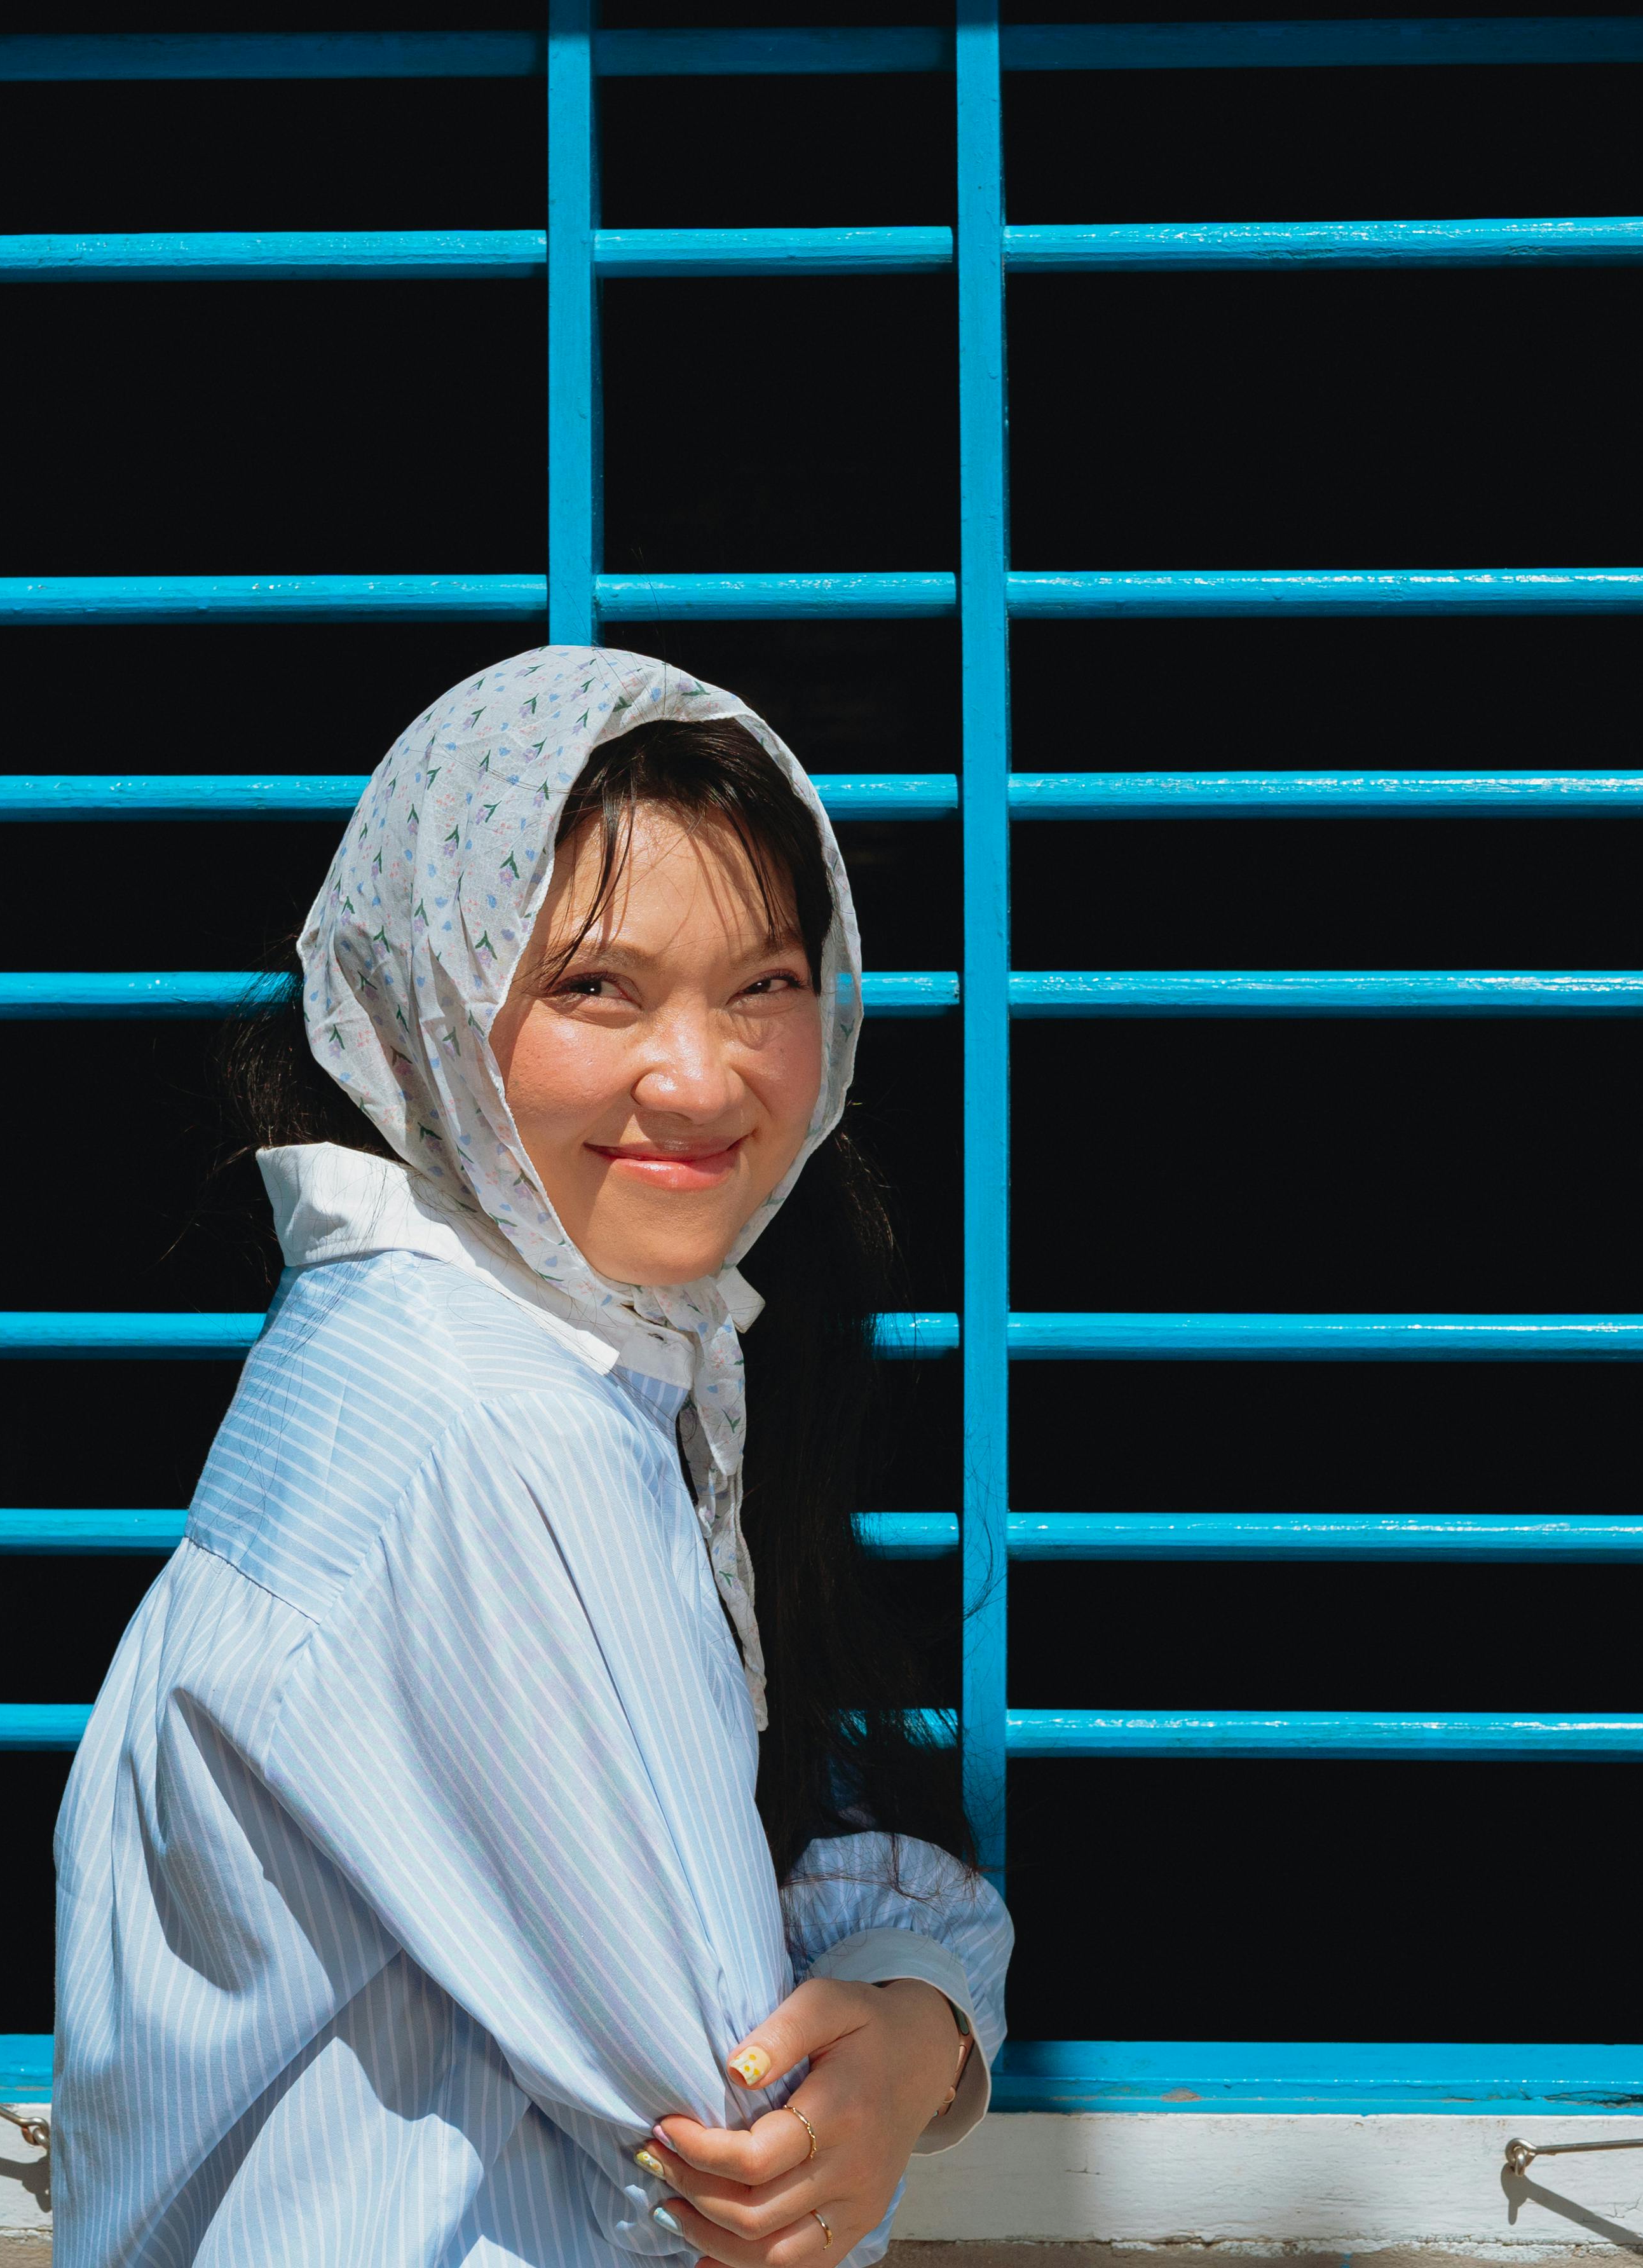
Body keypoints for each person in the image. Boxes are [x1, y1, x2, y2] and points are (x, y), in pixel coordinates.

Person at [54, 646, 1014, 2267]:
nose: (702, 1077)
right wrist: (920, 2013)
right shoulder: (498, 1432)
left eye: (767, 983)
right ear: (429, 995)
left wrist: (922, 2008)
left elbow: (771, 1891)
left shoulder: (470, 1352)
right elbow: (740, 2135)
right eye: (594, 987)